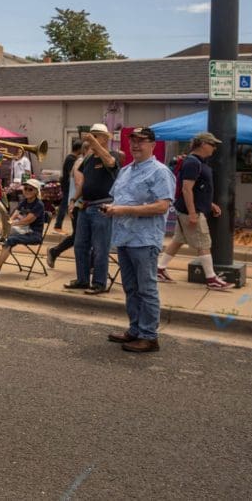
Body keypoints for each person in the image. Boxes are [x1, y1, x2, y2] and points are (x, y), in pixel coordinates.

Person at [103, 127, 175, 353]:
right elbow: (118, 198)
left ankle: (149, 336)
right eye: (132, 140)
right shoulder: (125, 171)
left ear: (152, 144)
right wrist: (110, 208)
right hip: (124, 237)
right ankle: (135, 330)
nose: (135, 145)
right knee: (131, 288)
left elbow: (163, 206)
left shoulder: (159, 172)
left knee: (147, 288)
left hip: (144, 239)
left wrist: (123, 209)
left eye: (141, 141)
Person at [157, 132, 233, 291]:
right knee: (204, 243)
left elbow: (198, 189)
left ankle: (159, 269)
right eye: (213, 144)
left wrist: (209, 203)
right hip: (191, 211)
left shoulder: (196, 161)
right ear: (203, 144)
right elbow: (187, 189)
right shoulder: (193, 163)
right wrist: (193, 213)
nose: (214, 148)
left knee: (178, 240)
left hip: (186, 208)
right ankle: (211, 278)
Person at [64, 123, 120, 294]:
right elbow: (83, 183)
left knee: (100, 247)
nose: (92, 138)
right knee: (80, 245)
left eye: (97, 135)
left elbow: (110, 163)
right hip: (86, 206)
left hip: (101, 206)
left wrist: (93, 143)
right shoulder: (88, 159)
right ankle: (82, 279)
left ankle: (99, 283)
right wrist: (74, 199)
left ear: (105, 138)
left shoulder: (111, 155)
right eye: (92, 135)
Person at [0, 178, 46, 281]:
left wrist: (11, 224)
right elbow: (14, 216)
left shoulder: (39, 205)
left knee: (9, 240)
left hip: (32, 233)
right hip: (21, 229)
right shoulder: (24, 201)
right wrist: (5, 226)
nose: (27, 191)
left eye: (31, 189)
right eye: (25, 188)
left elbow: (27, 221)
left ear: (36, 191)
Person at [53, 140, 83, 233]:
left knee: (64, 204)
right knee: (64, 204)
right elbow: (72, 173)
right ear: (79, 149)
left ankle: (58, 225)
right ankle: (58, 225)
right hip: (67, 185)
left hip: (67, 184)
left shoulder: (71, 158)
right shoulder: (71, 159)